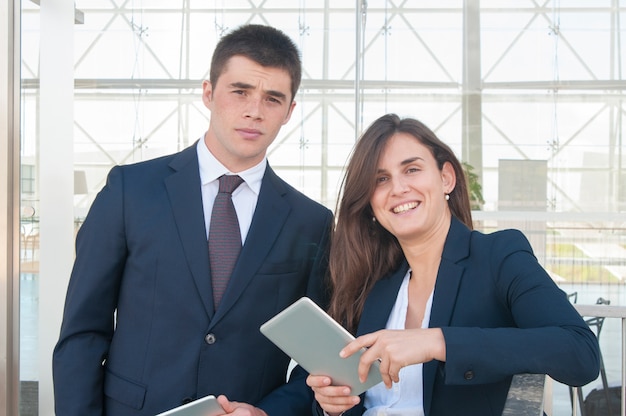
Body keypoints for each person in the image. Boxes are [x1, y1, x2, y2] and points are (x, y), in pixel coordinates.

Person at [53, 24, 333, 416]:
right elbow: (83, 334)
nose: (254, 110)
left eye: (272, 99)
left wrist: (270, 412)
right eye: (240, 91)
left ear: (289, 112)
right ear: (208, 93)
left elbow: (316, 359)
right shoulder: (129, 191)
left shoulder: (311, 221)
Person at [306, 114, 601, 416]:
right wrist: (332, 405)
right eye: (381, 179)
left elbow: (580, 353)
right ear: (370, 202)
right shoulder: (372, 281)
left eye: (412, 169)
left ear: (446, 177)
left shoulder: (497, 256)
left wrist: (437, 341)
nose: (398, 188)